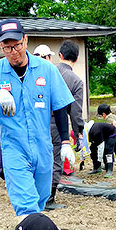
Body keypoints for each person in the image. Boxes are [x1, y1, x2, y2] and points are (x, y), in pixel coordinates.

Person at [0, 19, 77, 217]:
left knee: (41, 200)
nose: (13, 52)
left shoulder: (46, 70)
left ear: (26, 40)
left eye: (17, 45)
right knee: (26, 205)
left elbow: (60, 107)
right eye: (7, 47)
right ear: (0, 46)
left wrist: (65, 142)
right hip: (14, 148)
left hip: (43, 148)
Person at [44, 40, 85, 210]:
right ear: (76, 59)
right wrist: (79, 133)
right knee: (56, 161)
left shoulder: (47, 71)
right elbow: (75, 113)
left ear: (60, 55)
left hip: (38, 122)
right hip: (56, 125)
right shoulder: (76, 81)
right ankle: (49, 199)